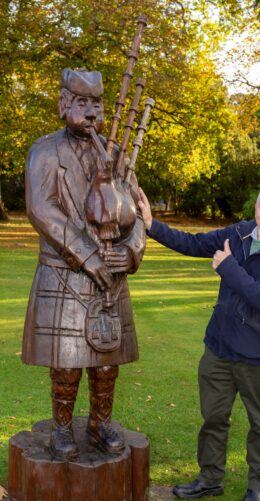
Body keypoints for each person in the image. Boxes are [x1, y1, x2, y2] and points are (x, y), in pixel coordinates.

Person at [138, 184, 260, 501]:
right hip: (219, 348)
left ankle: (257, 487)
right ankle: (210, 479)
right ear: (256, 208)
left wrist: (228, 268)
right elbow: (194, 243)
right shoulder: (240, 233)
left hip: (259, 357)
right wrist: (150, 224)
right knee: (213, 417)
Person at [22, 68, 145, 460]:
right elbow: (42, 210)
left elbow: (138, 210)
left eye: (97, 104)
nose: (91, 113)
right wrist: (88, 255)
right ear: (63, 104)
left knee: (107, 364)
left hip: (110, 276)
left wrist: (131, 251)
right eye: (82, 103)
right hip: (64, 273)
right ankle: (61, 428)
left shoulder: (115, 154)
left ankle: (100, 421)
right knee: (67, 364)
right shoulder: (44, 152)